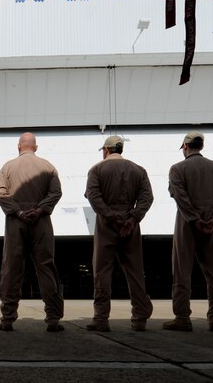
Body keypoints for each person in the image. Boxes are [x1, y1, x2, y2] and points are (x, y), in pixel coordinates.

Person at [0, 132, 65, 332]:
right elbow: (55, 192)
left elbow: (0, 193)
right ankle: (53, 318)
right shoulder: (48, 166)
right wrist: (40, 209)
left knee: (11, 269)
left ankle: (7, 319)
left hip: (16, 221)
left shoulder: (8, 167)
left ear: (19, 146)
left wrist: (18, 211)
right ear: (36, 147)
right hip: (40, 221)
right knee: (45, 267)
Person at [84, 135, 155, 332]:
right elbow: (147, 198)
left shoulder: (97, 169)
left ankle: (101, 318)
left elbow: (94, 196)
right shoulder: (138, 170)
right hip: (130, 225)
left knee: (102, 272)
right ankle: (140, 316)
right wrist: (132, 218)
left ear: (106, 150)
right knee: (135, 272)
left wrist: (110, 217)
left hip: (107, 225)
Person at [165, 132, 213, 332]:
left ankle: (182, 317)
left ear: (185, 146)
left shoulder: (177, 169)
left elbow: (179, 196)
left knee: (182, 271)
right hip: (211, 224)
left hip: (187, 224)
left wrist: (194, 219)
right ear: (201, 146)